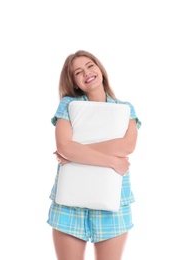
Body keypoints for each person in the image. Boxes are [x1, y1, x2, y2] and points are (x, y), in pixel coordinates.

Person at [47, 50, 141, 260]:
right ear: (74, 82)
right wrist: (111, 161)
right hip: (69, 204)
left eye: (90, 65)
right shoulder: (68, 105)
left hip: (115, 202)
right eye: (78, 72)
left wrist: (74, 153)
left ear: (99, 68)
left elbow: (127, 146)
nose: (87, 73)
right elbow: (64, 146)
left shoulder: (125, 109)